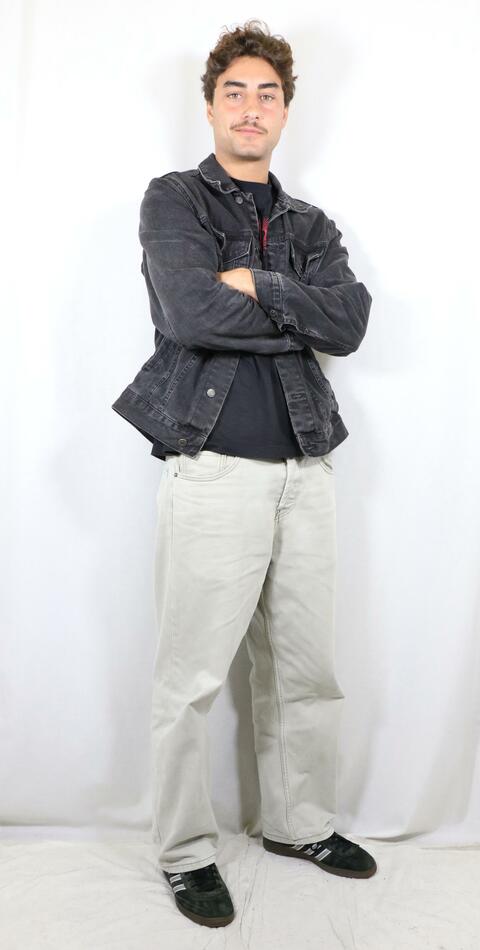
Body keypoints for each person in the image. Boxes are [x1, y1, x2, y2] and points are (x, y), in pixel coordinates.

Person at [111, 18, 376, 929]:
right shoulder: (174, 199)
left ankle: (299, 825)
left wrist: (258, 284)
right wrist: (298, 311)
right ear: (212, 106)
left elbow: (350, 323)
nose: (252, 107)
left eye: (268, 94)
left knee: (306, 669)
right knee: (189, 679)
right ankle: (187, 852)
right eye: (236, 92)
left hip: (307, 468)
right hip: (215, 470)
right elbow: (190, 314)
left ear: (287, 111)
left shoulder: (313, 224)